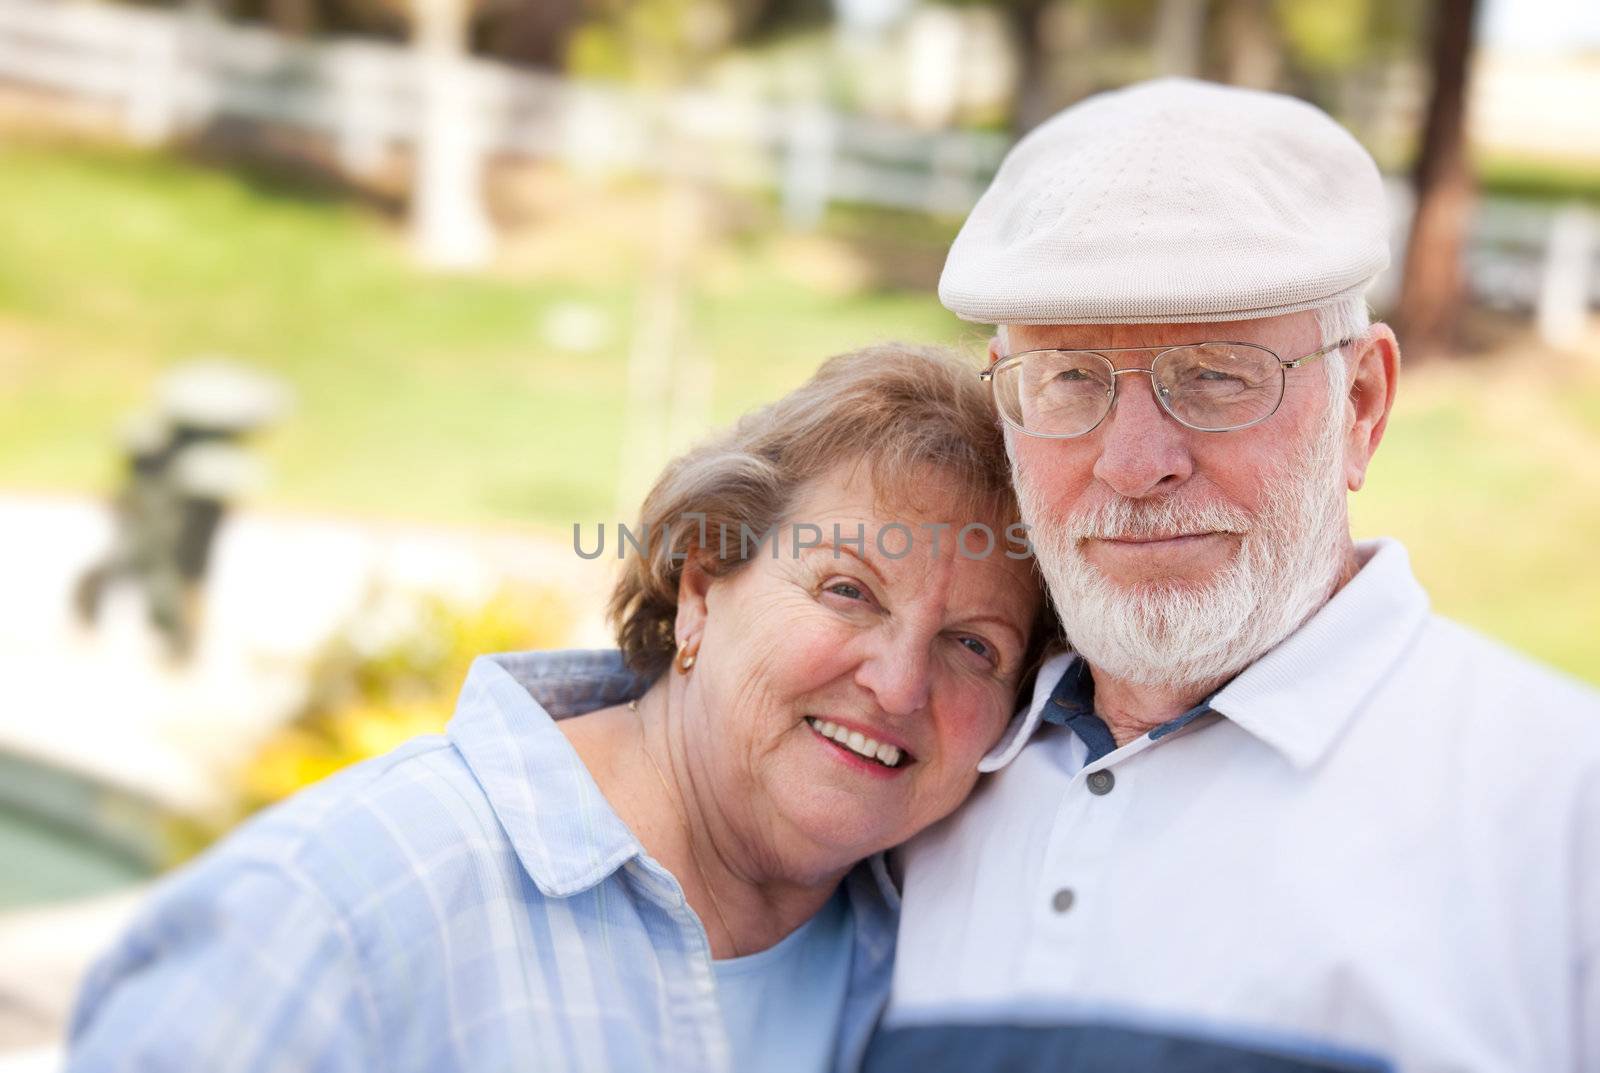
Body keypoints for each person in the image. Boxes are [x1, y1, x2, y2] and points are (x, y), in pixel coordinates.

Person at [866, 79, 1600, 1072]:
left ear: (1364, 404)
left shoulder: (1560, 803)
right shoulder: (909, 768)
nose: (1132, 462)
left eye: (1216, 374)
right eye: (1069, 378)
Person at [66, 344, 1047, 1073]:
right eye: (848, 589)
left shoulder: (938, 955)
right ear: (702, 586)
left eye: (974, 645)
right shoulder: (334, 910)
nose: (899, 681)